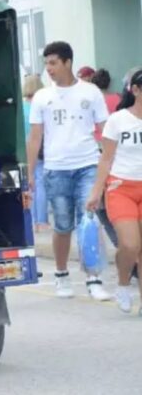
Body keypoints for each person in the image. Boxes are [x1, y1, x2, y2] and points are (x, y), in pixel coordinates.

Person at [27, 41, 111, 300]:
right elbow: (35, 137)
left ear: (67, 62)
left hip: (87, 165)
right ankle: (61, 274)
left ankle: (93, 277)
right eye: (46, 64)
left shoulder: (91, 92)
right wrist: (30, 174)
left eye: (53, 63)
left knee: (88, 222)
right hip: (56, 169)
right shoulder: (42, 96)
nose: (48, 69)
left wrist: (109, 167)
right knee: (62, 226)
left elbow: (106, 131)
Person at [86, 69, 142, 314]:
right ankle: (122, 284)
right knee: (130, 244)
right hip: (121, 188)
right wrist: (96, 192)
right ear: (136, 90)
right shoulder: (118, 120)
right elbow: (106, 160)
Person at [22, 74, 49, 232]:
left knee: (28, 185)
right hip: (39, 146)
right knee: (40, 183)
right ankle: (42, 221)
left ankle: (31, 220)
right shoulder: (41, 106)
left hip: (24, 148)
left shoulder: (22, 108)